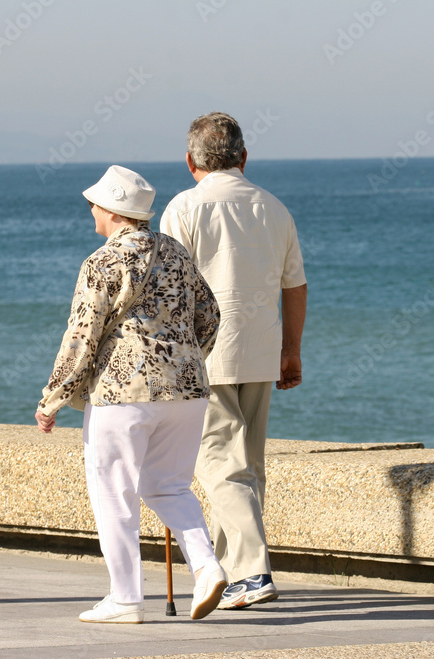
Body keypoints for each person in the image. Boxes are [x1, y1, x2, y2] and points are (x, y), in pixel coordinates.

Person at [35, 165, 227, 623]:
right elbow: (212, 315)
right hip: (188, 390)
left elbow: (81, 336)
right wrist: (183, 361)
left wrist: (53, 397)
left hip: (124, 395)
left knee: (114, 494)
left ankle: (125, 600)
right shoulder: (176, 252)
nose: (92, 212)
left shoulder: (102, 262)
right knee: (169, 485)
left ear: (112, 211)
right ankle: (206, 566)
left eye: (94, 205)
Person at [160, 112, 308, 609]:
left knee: (219, 462)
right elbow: (295, 286)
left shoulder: (183, 208)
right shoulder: (273, 207)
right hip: (263, 349)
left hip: (204, 353)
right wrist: (292, 351)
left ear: (190, 161)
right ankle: (229, 575)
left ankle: (251, 573)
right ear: (244, 157)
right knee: (246, 465)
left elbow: (171, 290)